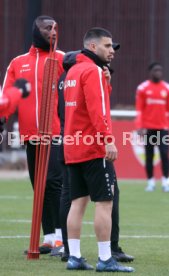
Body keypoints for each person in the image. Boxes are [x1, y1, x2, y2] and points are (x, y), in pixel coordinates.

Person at [51, 51, 134, 264]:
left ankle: (74, 256)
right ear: (93, 46)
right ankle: (106, 257)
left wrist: (107, 83)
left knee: (76, 202)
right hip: (93, 147)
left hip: (71, 145)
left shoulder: (68, 76)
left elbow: (76, 108)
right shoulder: (92, 71)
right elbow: (97, 108)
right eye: (107, 45)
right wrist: (107, 139)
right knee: (105, 202)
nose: (112, 51)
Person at [2, 15, 65, 253]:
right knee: (38, 186)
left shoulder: (63, 59)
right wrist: (2, 117)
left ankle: (61, 238)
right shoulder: (18, 62)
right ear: (35, 31)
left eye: (55, 28)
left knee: (54, 183)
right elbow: (7, 94)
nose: (53, 32)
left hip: (57, 133)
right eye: (47, 28)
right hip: (30, 135)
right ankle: (50, 238)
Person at [135, 62, 169, 192]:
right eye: (156, 70)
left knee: (164, 154)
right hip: (148, 129)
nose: (158, 73)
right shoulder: (143, 88)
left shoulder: (166, 88)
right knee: (149, 157)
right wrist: (140, 126)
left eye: (160, 70)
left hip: (162, 129)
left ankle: (166, 182)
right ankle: (150, 182)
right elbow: (139, 109)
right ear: (151, 72)